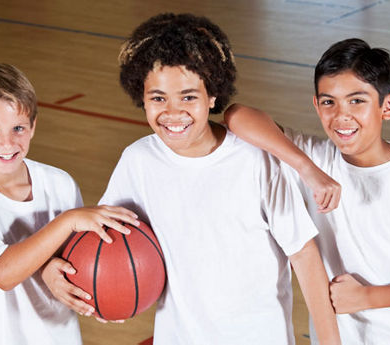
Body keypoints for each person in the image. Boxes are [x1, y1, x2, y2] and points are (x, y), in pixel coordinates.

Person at [39, 13, 340, 344]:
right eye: (157, 98)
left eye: (188, 96)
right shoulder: (138, 162)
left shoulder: (256, 160)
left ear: (212, 96)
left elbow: (305, 257)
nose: (172, 111)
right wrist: (53, 269)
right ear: (141, 96)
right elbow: (100, 238)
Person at [225, 38, 390, 344]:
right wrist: (307, 169)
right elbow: (236, 115)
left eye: (357, 101)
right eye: (329, 102)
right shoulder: (315, 157)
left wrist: (366, 297)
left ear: (389, 105)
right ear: (317, 105)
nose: (342, 116)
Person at [0, 62, 139, 344]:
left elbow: (70, 261)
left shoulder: (60, 183)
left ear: (33, 127)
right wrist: (67, 221)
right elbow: (2, 273)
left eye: (18, 128)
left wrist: (103, 294)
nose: (7, 142)